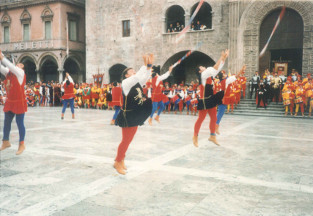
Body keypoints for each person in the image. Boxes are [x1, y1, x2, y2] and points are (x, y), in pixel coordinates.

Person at [114, 54, 154, 175]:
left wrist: (149, 66)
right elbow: (137, 77)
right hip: (127, 116)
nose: (133, 72)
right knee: (125, 140)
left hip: (135, 114)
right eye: (131, 71)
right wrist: (144, 64)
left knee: (129, 140)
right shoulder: (126, 82)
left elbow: (145, 76)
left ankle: (121, 160)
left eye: (133, 71)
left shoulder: (136, 82)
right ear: (126, 75)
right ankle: (117, 162)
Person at [193, 49, 229, 147]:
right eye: (201, 67)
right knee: (201, 118)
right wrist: (222, 57)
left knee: (214, 117)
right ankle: (195, 136)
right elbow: (215, 68)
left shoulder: (208, 74)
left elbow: (216, 69)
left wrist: (224, 58)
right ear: (200, 71)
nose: (203, 66)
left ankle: (212, 136)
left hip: (210, 99)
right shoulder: (203, 75)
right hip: (204, 100)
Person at [0, 50, 27, 155]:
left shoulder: (20, 73)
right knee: (6, 122)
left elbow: (10, 66)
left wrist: (2, 57)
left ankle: (22, 144)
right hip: (10, 101)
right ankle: (5, 141)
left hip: (19, 102)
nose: (20, 65)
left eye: (21, 65)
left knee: (19, 123)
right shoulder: (9, 73)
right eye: (19, 63)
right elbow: (2, 68)